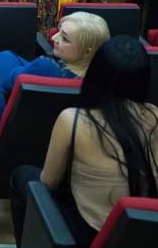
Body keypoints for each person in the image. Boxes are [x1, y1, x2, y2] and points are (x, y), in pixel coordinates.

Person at [10, 35, 158, 247]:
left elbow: (47, 182)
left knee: (22, 176)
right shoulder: (155, 115)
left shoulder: (73, 119)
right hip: (139, 231)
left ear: (96, 74)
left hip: (88, 233)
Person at [0, 12, 109, 129]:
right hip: (61, 137)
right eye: (59, 32)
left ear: (87, 51)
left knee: (4, 56)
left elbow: (9, 82)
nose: (53, 38)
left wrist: (37, 66)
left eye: (65, 38)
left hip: (13, 131)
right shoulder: (104, 79)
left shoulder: (45, 66)